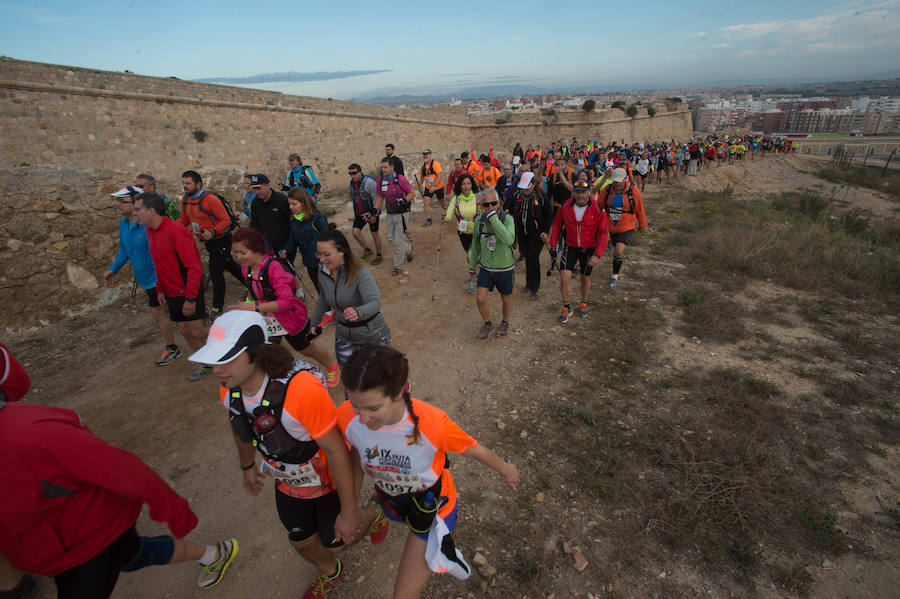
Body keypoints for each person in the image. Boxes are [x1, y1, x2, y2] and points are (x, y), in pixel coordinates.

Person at [188, 311, 370, 599]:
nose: (217, 368)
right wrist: (247, 466)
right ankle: (330, 572)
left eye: (226, 359)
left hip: (324, 480)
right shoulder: (229, 389)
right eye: (215, 359)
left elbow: (335, 450)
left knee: (336, 540)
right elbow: (240, 426)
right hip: (288, 480)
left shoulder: (302, 389)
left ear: (256, 354)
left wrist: (349, 510)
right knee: (300, 541)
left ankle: (375, 512)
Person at [0, 400, 238, 598]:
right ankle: (214, 554)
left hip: (89, 540)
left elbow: (120, 466)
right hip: (51, 545)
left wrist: (173, 509)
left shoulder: (30, 434)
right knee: (133, 556)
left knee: (126, 554)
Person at [338, 345, 520, 599]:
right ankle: (377, 511)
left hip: (432, 509)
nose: (362, 418)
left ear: (400, 391)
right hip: (389, 497)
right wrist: (349, 509)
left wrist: (505, 468)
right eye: (355, 404)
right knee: (338, 541)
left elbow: (473, 448)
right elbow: (354, 453)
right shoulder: (347, 417)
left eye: (373, 408)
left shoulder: (432, 424)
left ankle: (379, 512)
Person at [231, 227, 341, 388]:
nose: (239, 257)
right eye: (236, 253)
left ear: (256, 249)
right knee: (268, 351)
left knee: (305, 348)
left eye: (242, 252)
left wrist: (254, 306)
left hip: (290, 319)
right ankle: (277, 381)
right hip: (267, 320)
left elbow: (286, 302)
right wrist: (249, 305)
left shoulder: (274, 267)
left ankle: (332, 366)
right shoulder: (246, 267)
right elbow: (252, 289)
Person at [134, 192, 211, 382]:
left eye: (138, 209)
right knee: (184, 329)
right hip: (170, 292)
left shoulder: (176, 231)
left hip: (186, 290)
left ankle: (239, 338)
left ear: (151, 211)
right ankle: (208, 362)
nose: (135, 213)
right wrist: (160, 289)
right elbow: (159, 263)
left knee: (198, 331)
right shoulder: (150, 232)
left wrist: (191, 297)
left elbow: (194, 268)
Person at [103, 186, 181, 366]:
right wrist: (114, 268)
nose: (117, 204)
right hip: (145, 278)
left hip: (159, 278)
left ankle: (172, 347)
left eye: (122, 201)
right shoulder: (124, 224)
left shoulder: (149, 225)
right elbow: (125, 249)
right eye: (117, 201)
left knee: (159, 312)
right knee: (166, 311)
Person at [310, 227, 391, 367]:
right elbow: (324, 297)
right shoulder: (322, 271)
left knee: (379, 379)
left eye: (326, 254)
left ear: (342, 251)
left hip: (371, 335)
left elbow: (375, 302)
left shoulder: (360, 272)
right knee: (350, 379)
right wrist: (314, 323)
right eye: (319, 254)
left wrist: (358, 312)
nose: (322, 259)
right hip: (344, 335)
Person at [177, 170, 243, 318]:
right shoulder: (185, 200)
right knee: (229, 264)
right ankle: (252, 285)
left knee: (215, 271)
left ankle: (217, 308)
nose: (185, 186)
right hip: (208, 242)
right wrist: (171, 228)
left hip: (220, 239)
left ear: (198, 184)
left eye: (188, 183)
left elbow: (225, 220)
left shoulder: (210, 199)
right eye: (183, 183)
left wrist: (212, 232)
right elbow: (184, 220)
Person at [545, 180, 609, 322]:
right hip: (570, 246)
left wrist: (598, 254)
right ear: (573, 192)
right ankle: (566, 307)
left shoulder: (597, 208)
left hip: (589, 248)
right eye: (577, 192)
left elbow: (604, 233)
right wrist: (553, 246)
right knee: (564, 277)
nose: (580, 195)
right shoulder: (566, 206)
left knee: (585, 278)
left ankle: (583, 303)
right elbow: (556, 226)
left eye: (583, 192)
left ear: (588, 192)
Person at [468, 189, 516, 340]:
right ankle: (487, 323)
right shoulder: (478, 221)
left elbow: (509, 240)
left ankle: (505, 322)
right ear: (481, 206)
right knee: (480, 298)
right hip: (486, 267)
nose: (490, 207)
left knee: (505, 297)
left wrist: (494, 219)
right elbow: (475, 245)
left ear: (499, 203)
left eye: (493, 203)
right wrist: (472, 266)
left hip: (505, 267)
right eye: (486, 205)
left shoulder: (507, 219)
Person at [598, 168, 648, 290]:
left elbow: (639, 208)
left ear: (625, 179)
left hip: (627, 224)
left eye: (619, 181)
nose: (616, 184)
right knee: (616, 250)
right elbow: (599, 206)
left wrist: (642, 225)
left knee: (618, 250)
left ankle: (615, 275)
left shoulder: (633, 191)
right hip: (611, 225)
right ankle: (617, 268)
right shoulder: (608, 189)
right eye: (614, 181)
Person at [505, 172, 552, 299]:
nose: (525, 189)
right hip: (522, 232)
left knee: (533, 258)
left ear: (534, 184)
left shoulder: (541, 197)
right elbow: (508, 208)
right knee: (527, 256)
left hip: (537, 233)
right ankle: (528, 283)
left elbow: (549, 214)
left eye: (527, 186)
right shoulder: (516, 195)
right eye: (523, 187)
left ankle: (534, 288)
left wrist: (545, 231)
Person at [375, 157, 415, 276]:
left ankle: (398, 266)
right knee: (390, 237)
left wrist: (404, 200)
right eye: (382, 167)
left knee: (398, 240)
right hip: (390, 213)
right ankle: (408, 249)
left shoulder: (400, 179)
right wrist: (374, 209)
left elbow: (412, 193)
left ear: (392, 167)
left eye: (385, 167)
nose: (383, 169)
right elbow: (380, 196)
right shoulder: (380, 180)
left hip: (402, 214)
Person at [443, 173, 479, 293]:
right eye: (464, 184)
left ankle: (473, 278)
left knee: (473, 256)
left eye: (468, 183)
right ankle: (473, 277)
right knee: (470, 256)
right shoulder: (456, 199)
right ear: (460, 186)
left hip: (477, 231)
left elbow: (486, 212)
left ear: (472, 185)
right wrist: (444, 216)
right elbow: (448, 216)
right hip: (463, 232)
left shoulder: (478, 197)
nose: (466, 186)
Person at [249, 174, 293, 261]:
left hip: (283, 245)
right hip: (267, 246)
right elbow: (254, 224)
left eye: (259, 188)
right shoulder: (255, 203)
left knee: (285, 271)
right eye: (255, 189)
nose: (256, 192)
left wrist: (288, 246)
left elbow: (293, 220)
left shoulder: (282, 200)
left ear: (268, 185)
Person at [347, 163, 384, 265]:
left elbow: (377, 199)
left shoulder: (370, 183)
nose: (352, 175)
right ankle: (367, 250)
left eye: (354, 173)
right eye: (350, 173)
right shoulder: (351, 183)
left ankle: (379, 255)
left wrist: (374, 214)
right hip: (360, 214)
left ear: (360, 172)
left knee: (374, 233)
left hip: (371, 213)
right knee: (355, 233)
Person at [416, 150, 445, 227]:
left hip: (438, 187)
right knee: (426, 202)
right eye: (424, 154)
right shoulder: (422, 166)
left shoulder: (435, 164)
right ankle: (429, 219)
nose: (425, 156)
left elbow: (439, 175)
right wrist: (420, 184)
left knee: (441, 201)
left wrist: (435, 186)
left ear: (430, 155)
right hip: (428, 187)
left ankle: (445, 210)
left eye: (427, 154)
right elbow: (422, 176)